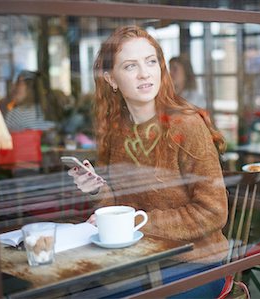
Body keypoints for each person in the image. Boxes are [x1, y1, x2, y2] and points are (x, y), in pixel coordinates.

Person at [68, 25, 228, 298]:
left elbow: (213, 211)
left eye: (151, 61)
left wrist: (138, 223)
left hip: (195, 262)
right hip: (138, 260)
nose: (144, 73)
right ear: (111, 79)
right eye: (130, 66)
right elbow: (119, 209)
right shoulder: (116, 132)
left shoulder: (187, 126)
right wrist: (96, 189)